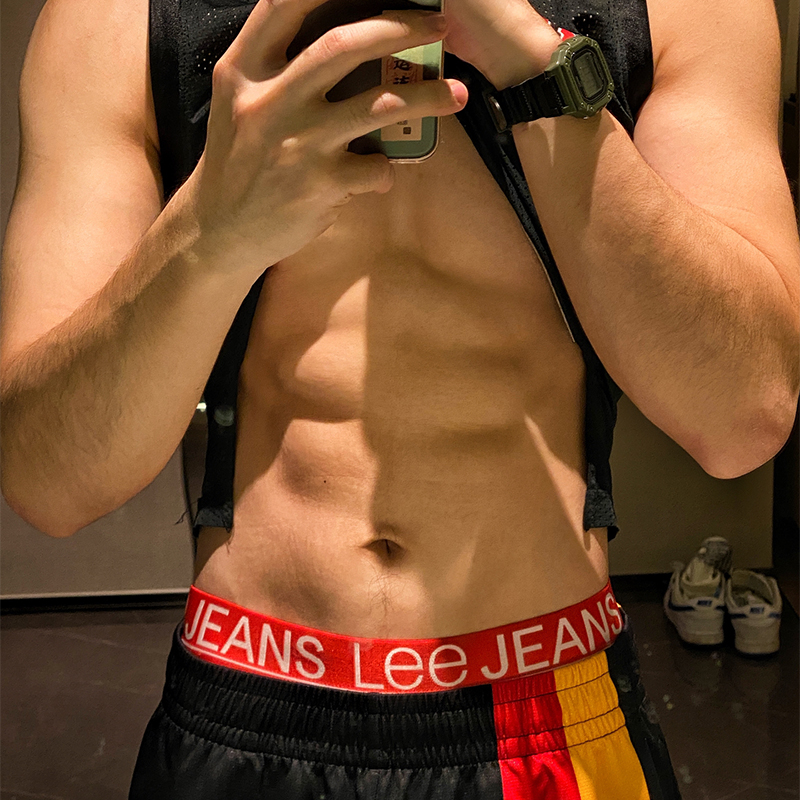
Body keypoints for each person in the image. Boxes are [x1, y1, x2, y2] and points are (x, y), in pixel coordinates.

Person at [1, 0, 797, 794]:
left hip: (546, 715)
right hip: (246, 695)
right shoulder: (110, 19)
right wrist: (209, 235)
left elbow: (742, 417)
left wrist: (542, 77)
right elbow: (49, 482)